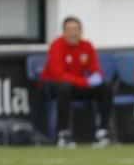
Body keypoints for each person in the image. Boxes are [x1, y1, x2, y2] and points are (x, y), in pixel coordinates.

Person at [41, 16, 113, 148]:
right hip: (55, 87)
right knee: (64, 87)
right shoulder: (56, 46)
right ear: (64, 32)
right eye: (69, 29)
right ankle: (63, 134)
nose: (73, 33)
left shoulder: (87, 46)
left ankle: (103, 133)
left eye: (76, 29)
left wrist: (96, 76)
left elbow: (95, 69)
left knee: (105, 87)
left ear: (81, 31)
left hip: (77, 86)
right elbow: (58, 74)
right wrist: (85, 82)